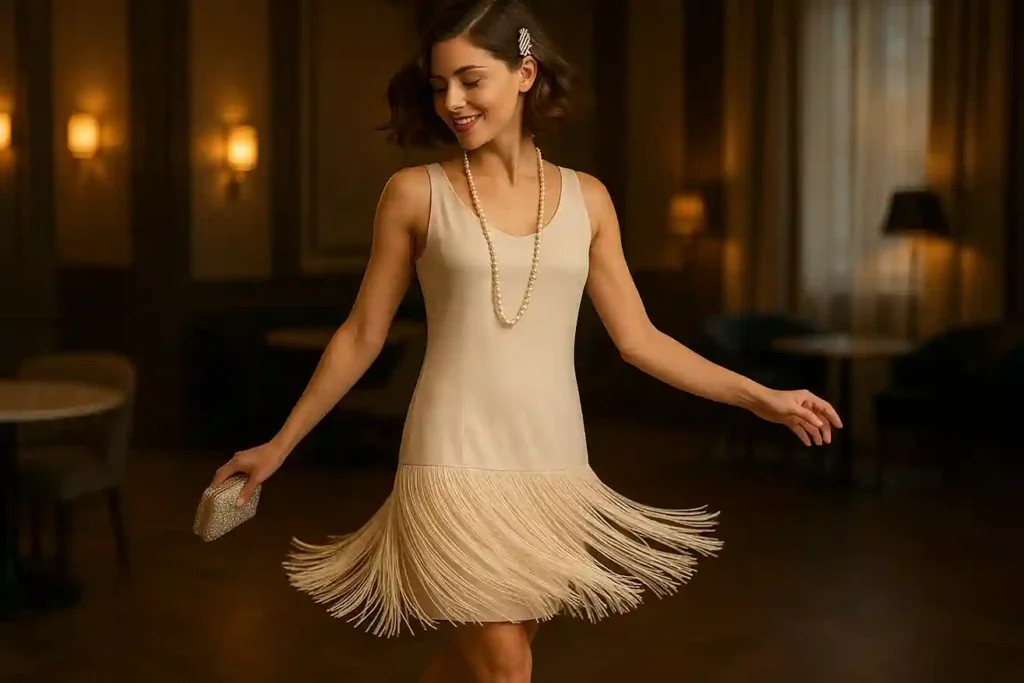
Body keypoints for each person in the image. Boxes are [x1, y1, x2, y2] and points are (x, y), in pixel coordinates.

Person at [210, 1, 842, 680]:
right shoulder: (414, 194)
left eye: (470, 80)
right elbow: (361, 335)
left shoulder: (589, 199)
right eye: (439, 86)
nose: (452, 102)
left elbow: (641, 340)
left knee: (479, 665)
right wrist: (279, 444)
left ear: (525, 73)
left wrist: (761, 397)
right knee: (506, 669)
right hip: (451, 454)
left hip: (553, 457)